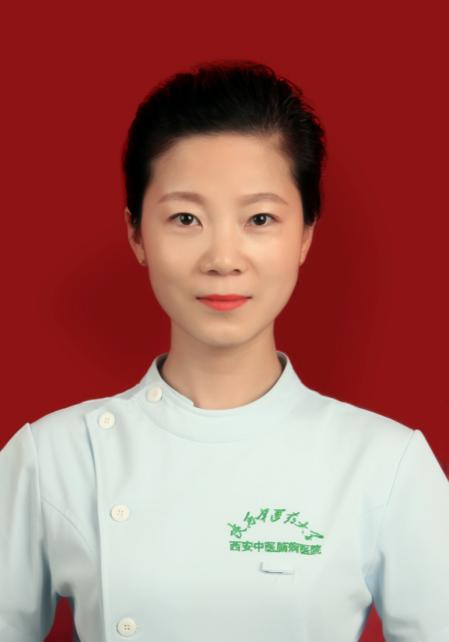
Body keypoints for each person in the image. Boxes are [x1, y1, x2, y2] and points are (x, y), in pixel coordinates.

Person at [1, 59, 448, 642]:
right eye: (185, 218)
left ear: (306, 235)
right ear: (136, 234)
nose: (223, 258)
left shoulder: (387, 465)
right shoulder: (53, 457)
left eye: (260, 218)